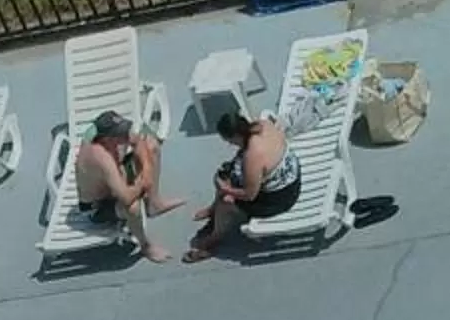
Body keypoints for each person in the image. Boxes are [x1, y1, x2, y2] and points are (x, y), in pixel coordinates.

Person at [189, 107, 300, 261]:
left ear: (235, 136)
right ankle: (213, 210)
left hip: (279, 198)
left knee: (226, 200)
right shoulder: (263, 125)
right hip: (291, 177)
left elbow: (249, 195)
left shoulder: (253, 155)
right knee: (225, 173)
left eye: (229, 141)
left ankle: (213, 239)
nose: (230, 144)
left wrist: (226, 189)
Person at [73, 110, 180, 261]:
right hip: (98, 205)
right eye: (121, 134)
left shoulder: (105, 133)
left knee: (152, 145)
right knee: (132, 207)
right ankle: (146, 247)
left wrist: (147, 170)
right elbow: (126, 197)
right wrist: (142, 183)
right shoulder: (100, 157)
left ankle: (154, 204)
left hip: (115, 179)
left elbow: (138, 142)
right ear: (108, 139)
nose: (126, 135)